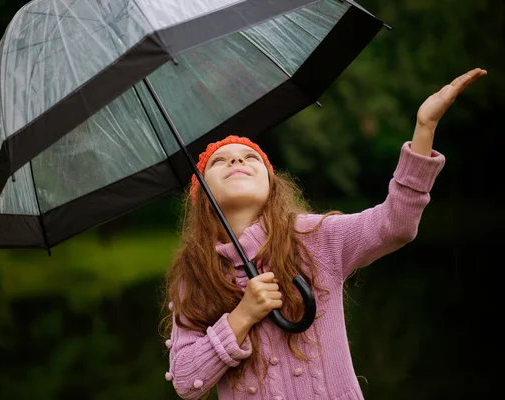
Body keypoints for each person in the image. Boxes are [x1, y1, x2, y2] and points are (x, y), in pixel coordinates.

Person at [160, 68, 487, 400]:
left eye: (249, 157)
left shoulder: (314, 238)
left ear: (272, 185)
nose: (236, 160)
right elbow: (187, 381)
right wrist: (242, 316)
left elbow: (395, 224)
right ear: (201, 198)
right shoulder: (196, 276)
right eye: (220, 162)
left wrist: (424, 128)